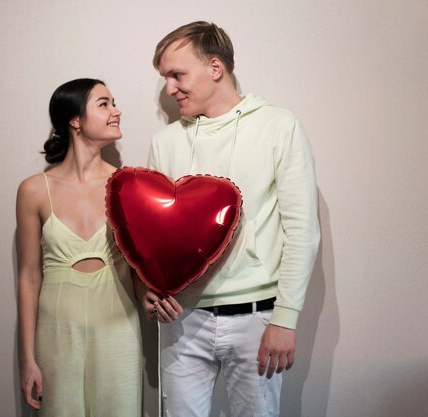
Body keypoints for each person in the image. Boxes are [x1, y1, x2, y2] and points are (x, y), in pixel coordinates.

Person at [136, 22, 321, 416]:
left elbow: (302, 231)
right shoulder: (164, 143)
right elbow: (151, 237)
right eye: (166, 78)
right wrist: (150, 290)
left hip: (256, 320)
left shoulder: (278, 126)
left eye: (177, 75)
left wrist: (285, 320)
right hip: (180, 323)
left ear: (215, 68)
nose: (170, 88)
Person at [16, 78, 142, 417]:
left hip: (119, 327)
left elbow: (142, 268)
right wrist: (27, 360)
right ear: (75, 120)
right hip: (59, 330)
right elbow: (28, 277)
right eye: (104, 104)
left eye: (113, 103)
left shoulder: (128, 185)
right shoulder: (34, 190)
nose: (116, 111)